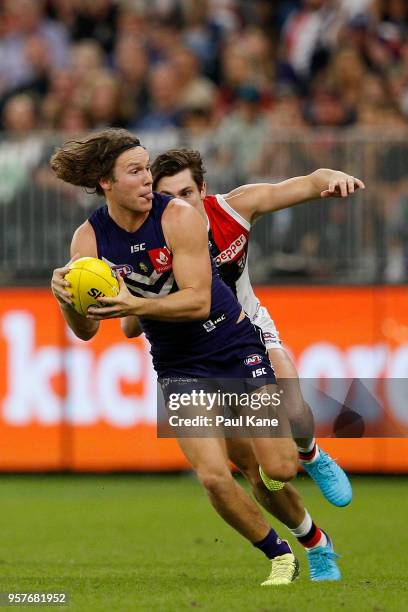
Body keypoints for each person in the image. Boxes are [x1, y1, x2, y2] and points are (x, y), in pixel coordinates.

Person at [50, 128, 308, 587]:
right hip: (179, 365)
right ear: (106, 182)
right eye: (134, 171)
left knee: (279, 467)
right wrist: (67, 300)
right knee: (212, 477)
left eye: (147, 168)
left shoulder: (179, 217)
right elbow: (87, 332)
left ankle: (307, 466)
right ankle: (279, 554)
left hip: (232, 345)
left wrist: (136, 306)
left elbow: (198, 302)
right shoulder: (87, 241)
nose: (148, 179)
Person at [149, 148, 363, 507]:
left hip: (249, 327)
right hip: (198, 349)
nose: (179, 204)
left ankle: (312, 456)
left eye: (186, 193)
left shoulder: (234, 208)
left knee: (294, 411)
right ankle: (306, 540)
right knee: (253, 465)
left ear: (203, 189)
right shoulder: (154, 238)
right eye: (168, 197)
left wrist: (333, 178)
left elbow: (306, 183)